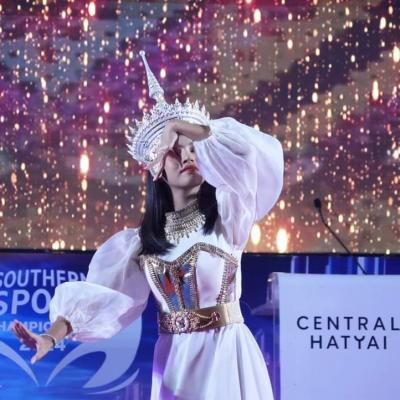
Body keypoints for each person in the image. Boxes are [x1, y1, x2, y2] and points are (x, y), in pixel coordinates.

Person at [12, 50, 284, 400]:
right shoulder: (141, 244)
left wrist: (178, 128)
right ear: (157, 168)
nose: (187, 155)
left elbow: (249, 152)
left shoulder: (229, 214)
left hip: (226, 355)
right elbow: (98, 297)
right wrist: (50, 337)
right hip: (174, 362)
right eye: (175, 150)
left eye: (193, 148)